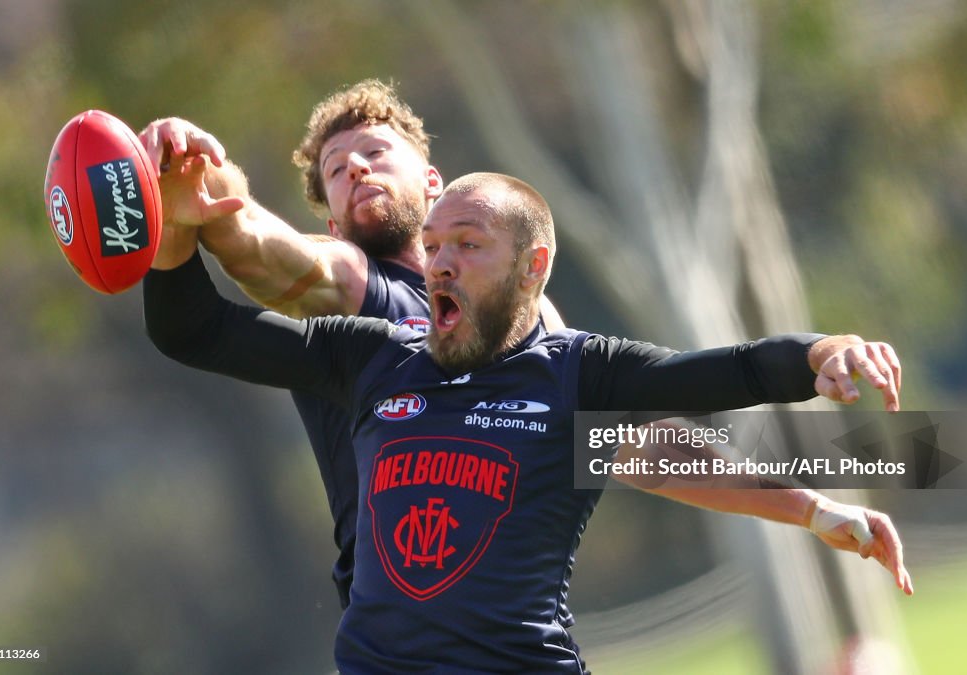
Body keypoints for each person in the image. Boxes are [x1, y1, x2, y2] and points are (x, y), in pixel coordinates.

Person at [143, 170, 912, 673]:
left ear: (533, 266)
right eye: (434, 246)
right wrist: (174, 228)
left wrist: (825, 353)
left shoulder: (581, 374)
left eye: (467, 246)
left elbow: (730, 374)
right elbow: (196, 332)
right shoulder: (372, 358)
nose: (439, 263)